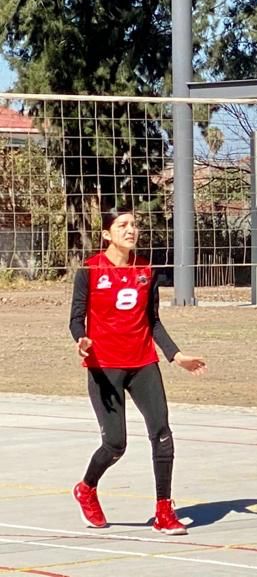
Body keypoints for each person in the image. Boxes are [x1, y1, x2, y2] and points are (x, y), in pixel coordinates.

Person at [69, 208, 207, 535]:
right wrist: (82, 340)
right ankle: (86, 489)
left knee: (162, 434)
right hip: (104, 367)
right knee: (115, 444)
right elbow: (75, 319)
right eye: (123, 225)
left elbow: (153, 321)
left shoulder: (146, 269)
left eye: (134, 224)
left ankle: (164, 510)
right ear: (107, 234)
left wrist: (175, 355)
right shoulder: (89, 270)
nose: (131, 230)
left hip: (143, 362)